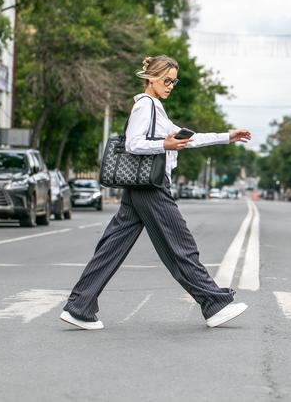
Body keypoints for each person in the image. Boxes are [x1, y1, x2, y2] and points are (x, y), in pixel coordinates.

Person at [60, 55, 252, 330]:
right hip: (151, 186)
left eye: (174, 81)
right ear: (151, 78)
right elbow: (133, 144)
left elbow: (189, 138)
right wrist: (165, 145)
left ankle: (79, 306)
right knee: (180, 244)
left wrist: (226, 136)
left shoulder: (156, 108)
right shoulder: (147, 106)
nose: (171, 85)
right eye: (166, 80)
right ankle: (214, 303)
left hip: (140, 187)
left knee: (112, 247)